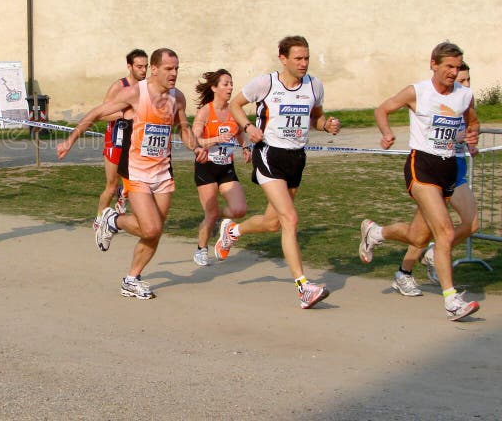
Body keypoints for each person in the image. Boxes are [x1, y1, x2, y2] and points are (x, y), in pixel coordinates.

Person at [57, 48, 207, 299]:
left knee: (155, 231)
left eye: (177, 69)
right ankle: (112, 220)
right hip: (137, 171)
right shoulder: (136, 93)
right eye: (169, 69)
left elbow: (183, 128)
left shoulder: (177, 98)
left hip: (162, 172)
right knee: (150, 228)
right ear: (155, 69)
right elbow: (96, 113)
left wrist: (197, 147)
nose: (174, 74)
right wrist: (70, 140)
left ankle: (131, 279)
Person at [214, 36, 340, 309]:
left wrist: (326, 124)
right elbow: (235, 105)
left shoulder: (314, 85)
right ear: (283, 58)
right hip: (269, 154)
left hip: (296, 158)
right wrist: (248, 128)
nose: (303, 63)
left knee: (273, 223)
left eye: (306, 58)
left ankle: (233, 231)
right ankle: (304, 287)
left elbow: (315, 117)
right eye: (298, 58)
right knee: (290, 219)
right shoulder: (266, 84)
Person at [360, 42, 480, 321]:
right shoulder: (417, 92)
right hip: (422, 167)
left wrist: (472, 136)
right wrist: (386, 132)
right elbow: (382, 109)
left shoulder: (464, 95)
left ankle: (375, 233)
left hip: (449, 168)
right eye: (448, 66)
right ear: (434, 64)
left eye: (457, 66)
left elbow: (472, 121)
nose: (453, 72)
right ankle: (451, 300)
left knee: (418, 236)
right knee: (445, 232)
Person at [389, 61, 479, 297]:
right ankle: (387, 242)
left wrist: (472, 141)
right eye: (462, 80)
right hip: (433, 169)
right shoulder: (434, 99)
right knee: (432, 231)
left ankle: (412, 262)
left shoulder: (465, 99)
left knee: (429, 231)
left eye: (468, 79)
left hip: (455, 167)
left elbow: (473, 125)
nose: (466, 84)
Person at [191, 69, 251, 266]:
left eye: (231, 83)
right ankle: (201, 249)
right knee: (210, 212)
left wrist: (245, 146)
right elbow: (195, 139)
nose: (230, 87)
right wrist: (216, 139)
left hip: (226, 166)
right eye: (225, 84)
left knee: (239, 209)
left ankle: (223, 225)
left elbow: (240, 131)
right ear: (214, 87)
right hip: (206, 166)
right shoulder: (206, 111)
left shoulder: (234, 110)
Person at [96, 49, 148, 223]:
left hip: (136, 141)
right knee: (111, 186)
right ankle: (99, 219)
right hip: (116, 139)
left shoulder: (147, 87)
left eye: (146, 67)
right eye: (139, 66)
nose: (143, 70)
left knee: (137, 181)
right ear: (129, 66)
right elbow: (101, 114)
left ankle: (124, 194)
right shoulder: (119, 87)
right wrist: (125, 113)